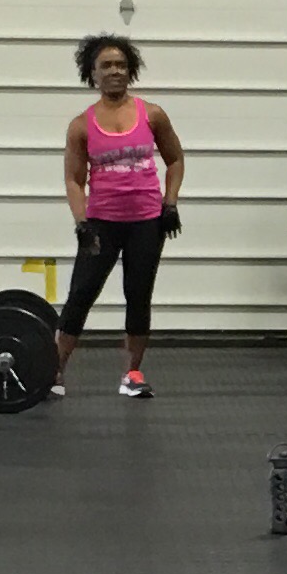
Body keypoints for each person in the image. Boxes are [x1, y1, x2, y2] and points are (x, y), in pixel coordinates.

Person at [55, 33, 184, 395]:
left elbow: (175, 159)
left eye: (121, 65)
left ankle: (133, 375)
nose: (115, 71)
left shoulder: (152, 115)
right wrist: (81, 222)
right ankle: (55, 371)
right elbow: (74, 180)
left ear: (131, 70)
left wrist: (170, 203)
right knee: (81, 294)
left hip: (146, 222)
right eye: (107, 66)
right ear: (93, 73)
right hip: (101, 224)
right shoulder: (81, 125)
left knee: (138, 296)